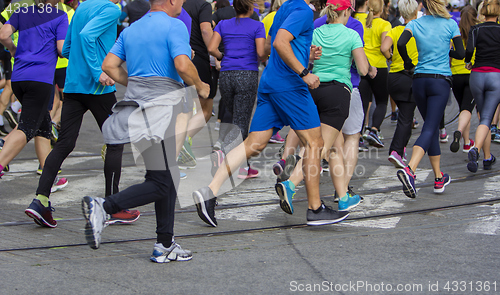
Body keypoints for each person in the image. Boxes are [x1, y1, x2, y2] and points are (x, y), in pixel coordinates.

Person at [192, 0, 349, 227]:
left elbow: (269, 49)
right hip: (290, 85)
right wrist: (304, 71)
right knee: (315, 143)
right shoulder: (304, 11)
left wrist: (306, 56)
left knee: (253, 144)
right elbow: (279, 43)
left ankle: (209, 192)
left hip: (270, 82)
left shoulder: (283, 10)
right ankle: (315, 208)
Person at [83, 0, 210, 261]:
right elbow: (183, 65)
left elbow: (108, 65)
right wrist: (200, 85)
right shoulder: (174, 25)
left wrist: (135, 82)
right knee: (162, 181)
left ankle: (165, 244)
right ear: (173, 1)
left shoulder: (131, 29)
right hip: (165, 109)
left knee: (165, 176)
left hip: (138, 109)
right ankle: (104, 206)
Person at [25, 0, 140, 228]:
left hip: (73, 84)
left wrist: (84, 61)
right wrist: (98, 70)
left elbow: (67, 48)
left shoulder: (82, 7)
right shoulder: (110, 9)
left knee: (64, 144)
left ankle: (40, 200)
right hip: (98, 88)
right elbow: (88, 36)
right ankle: (112, 206)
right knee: (115, 142)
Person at [277, 0, 369, 212]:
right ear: (346, 11)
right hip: (337, 95)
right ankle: (290, 185)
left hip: (313, 89)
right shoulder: (351, 35)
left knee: (335, 149)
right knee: (317, 150)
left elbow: (303, 58)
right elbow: (363, 70)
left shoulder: (316, 32)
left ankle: (344, 196)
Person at [396, 0, 464, 198]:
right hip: (439, 82)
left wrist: (408, 62)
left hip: (419, 80)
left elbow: (401, 43)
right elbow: (460, 53)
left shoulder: (415, 23)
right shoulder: (450, 24)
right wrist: (446, 50)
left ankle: (438, 178)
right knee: (430, 127)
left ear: (423, 4)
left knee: (431, 127)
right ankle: (410, 170)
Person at [0, 0, 68, 191]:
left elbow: (4, 34)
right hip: (40, 79)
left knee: (43, 127)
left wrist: (13, 50)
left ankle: (49, 178)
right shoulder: (60, 15)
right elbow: (62, 49)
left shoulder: (22, 11)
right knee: (28, 127)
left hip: (19, 78)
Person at [208, 0, 267, 179]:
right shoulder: (257, 26)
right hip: (247, 74)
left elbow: (211, 48)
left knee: (235, 117)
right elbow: (260, 53)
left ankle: (242, 163)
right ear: (250, 7)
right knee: (242, 121)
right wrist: (267, 55)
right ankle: (235, 162)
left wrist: (222, 56)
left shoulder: (223, 24)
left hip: (226, 75)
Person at [381, 0, 419, 168]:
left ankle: (400, 150)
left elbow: (384, 48)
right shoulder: (418, 30)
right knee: (406, 117)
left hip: (394, 77)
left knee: (405, 114)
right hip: (410, 76)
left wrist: (391, 58)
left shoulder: (395, 30)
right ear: (416, 12)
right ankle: (396, 151)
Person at [464, 0, 500, 172]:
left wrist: (467, 62)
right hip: (495, 76)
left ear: (483, 13)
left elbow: (469, 50)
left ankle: (487, 158)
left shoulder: (476, 29)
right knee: (487, 118)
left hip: (477, 75)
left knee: (481, 118)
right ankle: (476, 149)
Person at [359, 0, 391, 148]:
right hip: (379, 66)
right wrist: (390, 56)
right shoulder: (385, 24)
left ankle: (358, 134)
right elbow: (385, 47)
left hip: (362, 64)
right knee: (382, 101)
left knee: (363, 102)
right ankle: (373, 130)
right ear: (382, 8)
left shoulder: (359, 20)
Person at [449, 5, 478, 154]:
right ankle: (464, 138)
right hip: (472, 74)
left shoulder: (456, 33)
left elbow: (450, 53)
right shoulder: (478, 31)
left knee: (463, 109)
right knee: (468, 109)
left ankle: (467, 142)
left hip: (456, 75)